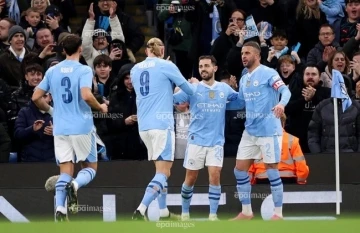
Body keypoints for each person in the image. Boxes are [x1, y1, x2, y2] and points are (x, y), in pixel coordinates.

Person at [31, 35, 108, 222]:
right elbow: (86, 95)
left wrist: (51, 110)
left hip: (60, 128)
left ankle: (60, 210)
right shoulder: (83, 69)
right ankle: (74, 186)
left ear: (63, 50)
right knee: (90, 168)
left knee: (65, 170)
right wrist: (101, 107)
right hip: (81, 127)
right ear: (80, 48)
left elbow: (35, 97)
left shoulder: (52, 71)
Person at [130, 37, 197, 221]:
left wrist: (169, 88)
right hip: (162, 126)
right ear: (162, 50)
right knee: (164, 172)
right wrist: (197, 85)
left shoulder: (135, 69)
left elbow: (159, 97)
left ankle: (163, 212)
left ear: (146, 51)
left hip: (144, 127)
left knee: (159, 171)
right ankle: (141, 209)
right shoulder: (166, 66)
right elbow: (189, 91)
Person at [230, 41, 291, 220]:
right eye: (242, 53)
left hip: (269, 129)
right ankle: (247, 212)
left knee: (272, 169)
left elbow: (285, 91)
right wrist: (219, 99)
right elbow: (240, 102)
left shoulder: (269, 73)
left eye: (247, 53)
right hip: (250, 131)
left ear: (257, 55)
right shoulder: (244, 78)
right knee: (239, 170)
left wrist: (281, 104)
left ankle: (278, 214)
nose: (243, 56)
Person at [173, 55, 239, 221]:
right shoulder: (192, 88)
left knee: (215, 176)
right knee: (190, 178)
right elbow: (172, 100)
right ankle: (185, 214)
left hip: (216, 142)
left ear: (214, 68)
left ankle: (212, 216)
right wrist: (174, 89)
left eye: (207, 66)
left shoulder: (224, 89)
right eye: (201, 66)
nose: (203, 69)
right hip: (196, 141)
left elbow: (240, 100)